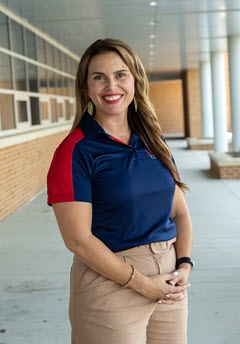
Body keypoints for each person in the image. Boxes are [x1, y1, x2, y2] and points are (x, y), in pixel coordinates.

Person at [47, 38, 194, 344]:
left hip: (169, 282)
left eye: (120, 74)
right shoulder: (75, 150)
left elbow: (179, 211)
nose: (110, 85)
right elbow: (78, 239)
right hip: (111, 284)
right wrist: (141, 283)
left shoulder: (154, 140)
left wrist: (185, 264)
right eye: (98, 77)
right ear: (86, 88)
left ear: (136, 81)